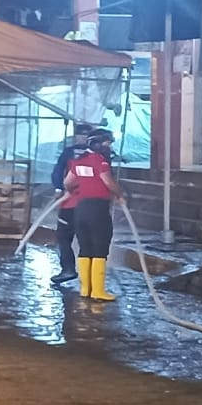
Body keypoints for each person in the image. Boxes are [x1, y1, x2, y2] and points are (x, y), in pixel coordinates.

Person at [64, 128, 124, 302]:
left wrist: (76, 189)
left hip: (81, 209)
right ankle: (98, 290)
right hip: (98, 209)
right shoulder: (100, 161)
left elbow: (68, 182)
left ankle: (85, 289)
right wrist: (119, 194)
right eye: (107, 143)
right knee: (100, 247)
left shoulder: (78, 161)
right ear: (98, 144)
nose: (109, 147)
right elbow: (108, 182)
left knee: (85, 248)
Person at [50, 122, 92, 286]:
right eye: (80, 134)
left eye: (85, 135)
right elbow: (58, 171)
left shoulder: (91, 156)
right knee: (66, 236)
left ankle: (83, 273)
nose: (82, 138)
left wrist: (62, 187)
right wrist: (58, 188)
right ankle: (72, 270)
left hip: (80, 202)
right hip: (76, 202)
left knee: (77, 237)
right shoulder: (70, 153)